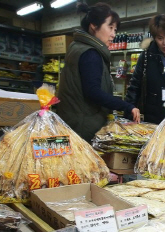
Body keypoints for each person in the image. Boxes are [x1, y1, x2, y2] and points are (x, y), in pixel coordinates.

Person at [57, 2, 140, 143]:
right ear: (94, 26)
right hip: (83, 126)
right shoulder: (90, 53)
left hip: (74, 121)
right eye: (110, 27)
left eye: (115, 29)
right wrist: (127, 106)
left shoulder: (77, 46)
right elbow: (93, 92)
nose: (114, 34)